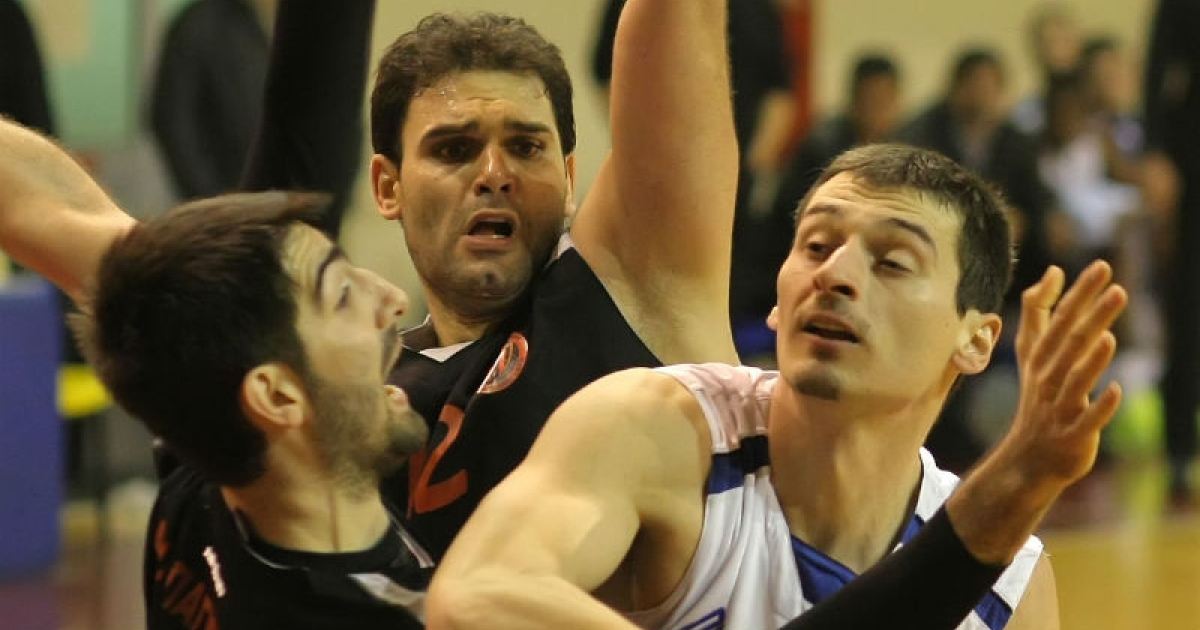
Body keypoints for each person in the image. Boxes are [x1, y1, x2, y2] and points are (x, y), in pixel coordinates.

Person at [426, 144, 1130, 630]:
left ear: (976, 339)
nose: (835, 275)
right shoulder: (661, 429)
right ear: (777, 299)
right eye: (816, 247)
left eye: (892, 262)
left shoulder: (1009, 588)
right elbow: (477, 595)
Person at [68, 191, 430, 628]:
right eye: (343, 294)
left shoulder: (198, 487)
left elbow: (51, 209)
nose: (392, 298)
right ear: (276, 397)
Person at [1142, 0, 1200, 501]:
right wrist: (1156, 153)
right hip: (1190, 156)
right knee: (1188, 309)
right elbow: (1159, 67)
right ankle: (1180, 452)